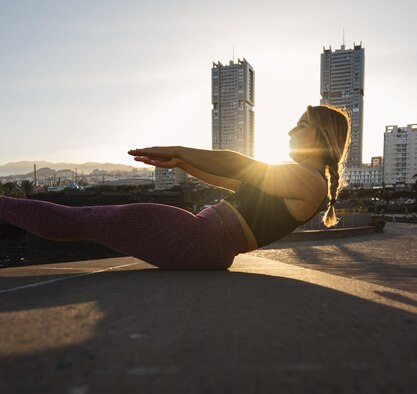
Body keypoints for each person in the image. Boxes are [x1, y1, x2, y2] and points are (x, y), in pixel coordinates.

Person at [0, 104, 350, 270]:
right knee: (87, 223)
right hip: (204, 241)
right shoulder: (303, 179)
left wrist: (181, 150)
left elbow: (241, 165)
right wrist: (183, 164)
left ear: (320, 135)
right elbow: (234, 179)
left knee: (84, 220)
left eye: (301, 125)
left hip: (201, 238)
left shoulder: (309, 180)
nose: (291, 131)